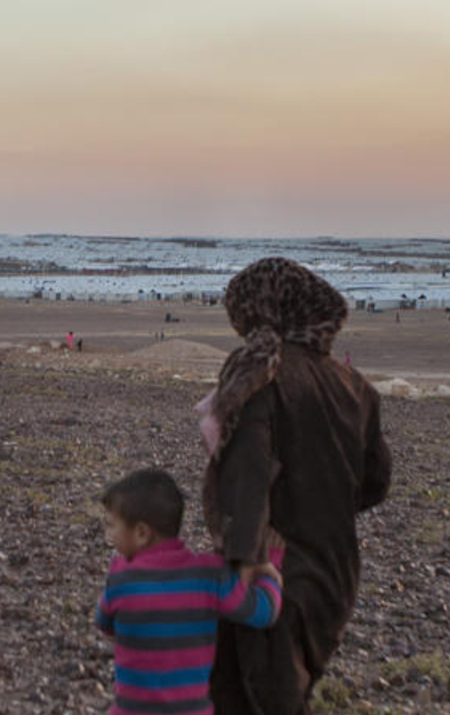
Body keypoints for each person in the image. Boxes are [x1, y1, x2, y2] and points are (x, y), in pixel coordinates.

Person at [204, 258, 392, 713]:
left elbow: (248, 469)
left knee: (251, 695)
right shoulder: (355, 386)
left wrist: (246, 558)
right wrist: (325, 504)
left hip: (272, 565)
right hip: (336, 571)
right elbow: (376, 481)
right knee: (281, 688)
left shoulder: (259, 372)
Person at [95, 469, 282, 715]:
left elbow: (104, 622)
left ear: (142, 533)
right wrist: (269, 568)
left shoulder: (120, 578)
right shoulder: (210, 575)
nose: (109, 535)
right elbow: (263, 613)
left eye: (112, 526)